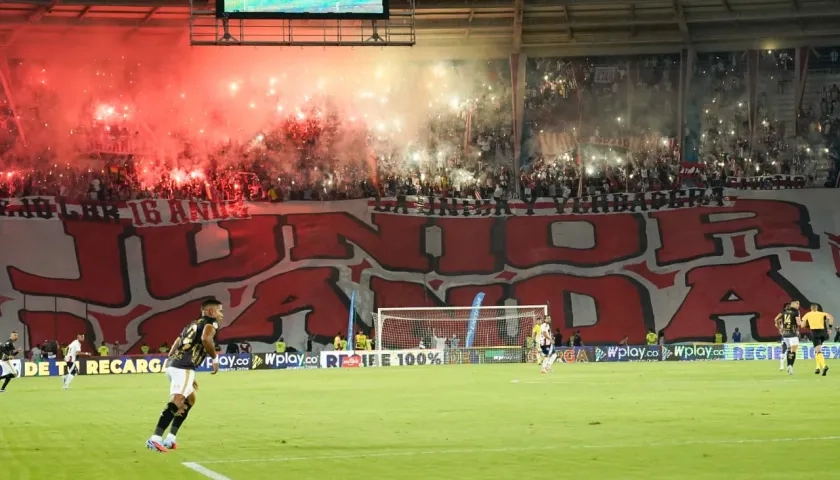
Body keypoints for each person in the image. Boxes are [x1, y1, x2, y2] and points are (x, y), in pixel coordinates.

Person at [146, 298, 222, 453]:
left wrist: (169, 358)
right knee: (177, 400)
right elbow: (206, 339)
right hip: (184, 366)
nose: (222, 314)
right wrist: (214, 358)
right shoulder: (211, 323)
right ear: (212, 311)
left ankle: (171, 438)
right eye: (220, 311)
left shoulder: (192, 324)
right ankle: (155, 438)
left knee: (190, 399)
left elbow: (177, 341)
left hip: (176, 365)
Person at [802, 303, 834, 376]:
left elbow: (803, 325)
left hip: (815, 332)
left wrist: (806, 325)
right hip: (823, 333)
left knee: (818, 351)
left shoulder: (808, 314)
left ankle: (824, 366)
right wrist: (830, 328)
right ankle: (817, 368)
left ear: (811, 308)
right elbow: (831, 318)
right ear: (817, 308)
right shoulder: (822, 314)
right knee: (817, 350)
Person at [775, 301, 801, 375]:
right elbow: (799, 323)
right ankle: (790, 366)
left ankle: (788, 366)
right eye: (797, 304)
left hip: (785, 334)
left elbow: (776, 319)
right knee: (793, 351)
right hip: (793, 333)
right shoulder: (796, 311)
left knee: (789, 349)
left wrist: (780, 328)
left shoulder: (784, 311)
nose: (798, 305)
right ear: (792, 304)